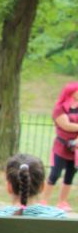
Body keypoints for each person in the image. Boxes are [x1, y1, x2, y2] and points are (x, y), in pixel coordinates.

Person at [44, 81, 78, 211]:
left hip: (75, 148)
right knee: (55, 173)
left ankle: (62, 202)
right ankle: (44, 200)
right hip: (61, 146)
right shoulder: (60, 108)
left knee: (70, 174)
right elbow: (65, 125)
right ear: (71, 92)